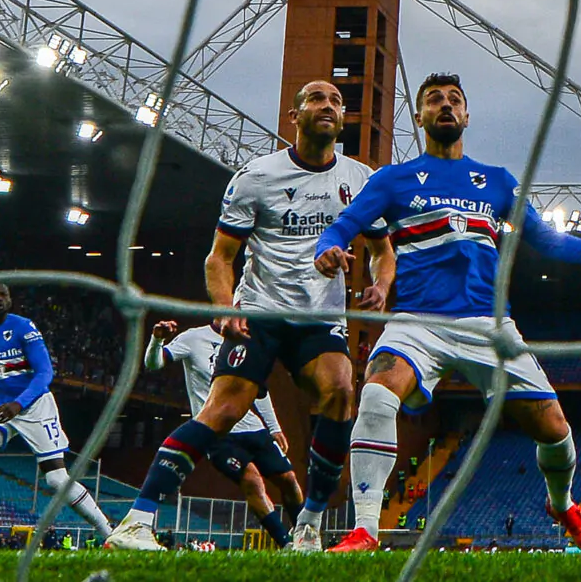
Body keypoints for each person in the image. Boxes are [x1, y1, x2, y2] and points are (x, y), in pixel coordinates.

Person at [310, 71, 581, 553]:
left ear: (467, 116)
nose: (445, 106)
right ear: (420, 117)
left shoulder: (495, 182)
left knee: (554, 429)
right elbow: (345, 225)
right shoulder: (392, 180)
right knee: (376, 395)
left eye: (454, 100)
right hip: (415, 322)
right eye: (434, 100)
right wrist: (328, 249)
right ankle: (366, 527)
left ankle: (563, 503)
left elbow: (544, 239)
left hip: (488, 325)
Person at [107, 78, 387, 552]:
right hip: (259, 311)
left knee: (341, 391)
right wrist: (224, 307)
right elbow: (219, 257)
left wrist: (380, 284)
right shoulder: (256, 177)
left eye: (337, 101)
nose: (329, 106)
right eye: (316, 98)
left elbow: (383, 249)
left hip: (320, 318)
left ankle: (309, 528)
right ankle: (136, 522)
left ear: (343, 120)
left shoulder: (360, 179)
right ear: (293, 117)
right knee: (223, 411)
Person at [0, 280, 114, 547]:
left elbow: (45, 373)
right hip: (1, 410)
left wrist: (19, 404)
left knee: (57, 479)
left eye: (3, 295)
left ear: (9, 301)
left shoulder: (24, 327)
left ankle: (108, 534)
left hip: (35, 406)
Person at [131, 320, 303, 548]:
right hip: (217, 433)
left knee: (289, 480)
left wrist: (274, 427)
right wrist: (157, 339)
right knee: (251, 480)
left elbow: (259, 390)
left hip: (253, 427)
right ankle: (286, 544)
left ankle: (305, 535)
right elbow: (153, 363)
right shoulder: (193, 338)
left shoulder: (247, 339)